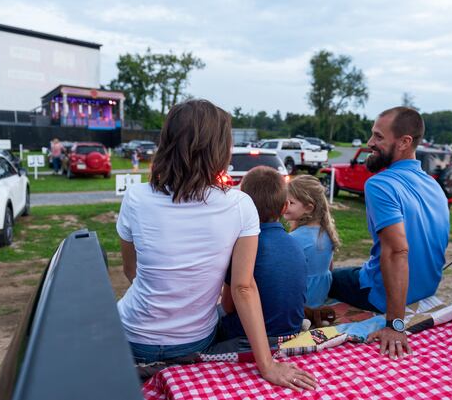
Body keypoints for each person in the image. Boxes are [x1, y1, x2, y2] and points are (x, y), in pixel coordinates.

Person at [116, 100, 316, 392]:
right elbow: (243, 288)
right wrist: (267, 365)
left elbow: (130, 270)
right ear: (220, 148)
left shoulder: (135, 197)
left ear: (168, 142)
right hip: (193, 340)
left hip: (132, 335)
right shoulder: (239, 205)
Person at [328, 106, 449, 360]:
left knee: (326, 278)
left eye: (378, 137)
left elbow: (396, 251)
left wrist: (395, 325)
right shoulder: (434, 185)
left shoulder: (380, 185)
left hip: (382, 297)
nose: (370, 143)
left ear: (404, 142)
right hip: (426, 289)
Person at [220, 166, 307, 341]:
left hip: (246, 337)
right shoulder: (296, 244)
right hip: (292, 331)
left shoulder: (242, 248)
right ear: (285, 207)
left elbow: (228, 306)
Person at [284, 175, 340, 308]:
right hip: (320, 297)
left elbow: (286, 276)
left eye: (291, 203)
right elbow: (329, 267)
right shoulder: (327, 232)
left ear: (309, 208)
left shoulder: (294, 238)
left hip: (301, 302)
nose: (285, 206)